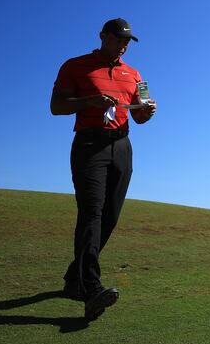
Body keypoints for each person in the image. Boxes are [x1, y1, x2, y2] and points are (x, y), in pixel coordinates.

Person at [50, 18, 157, 321]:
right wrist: (89, 101)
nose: (123, 45)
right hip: (89, 146)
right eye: (118, 39)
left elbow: (141, 115)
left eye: (127, 41)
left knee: (110, 216)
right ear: (102, 36)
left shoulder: (135, 74)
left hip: (122, 146)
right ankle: (91, 289)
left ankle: (75, 278)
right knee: (91, 214)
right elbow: (56, 106)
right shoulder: (75, 65)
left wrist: (148, 110)